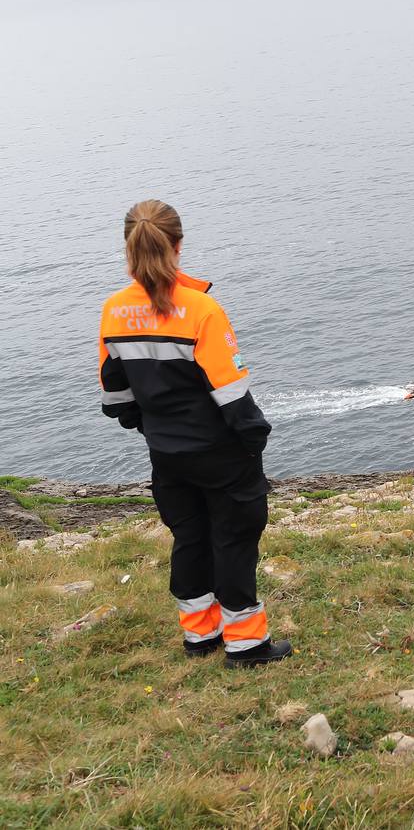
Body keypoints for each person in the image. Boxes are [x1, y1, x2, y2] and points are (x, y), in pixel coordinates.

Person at [99, 200, 292, 668]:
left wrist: (152, 426)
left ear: (128, 246)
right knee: (233, 539)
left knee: (189, 538)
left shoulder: (114, 311)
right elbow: (233, 396)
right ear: (179, 245)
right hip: (221, 452)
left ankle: (199, 634)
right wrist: (253, 441)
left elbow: (116, 400)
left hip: (166, 453)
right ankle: (246, 644)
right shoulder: (201, 310)